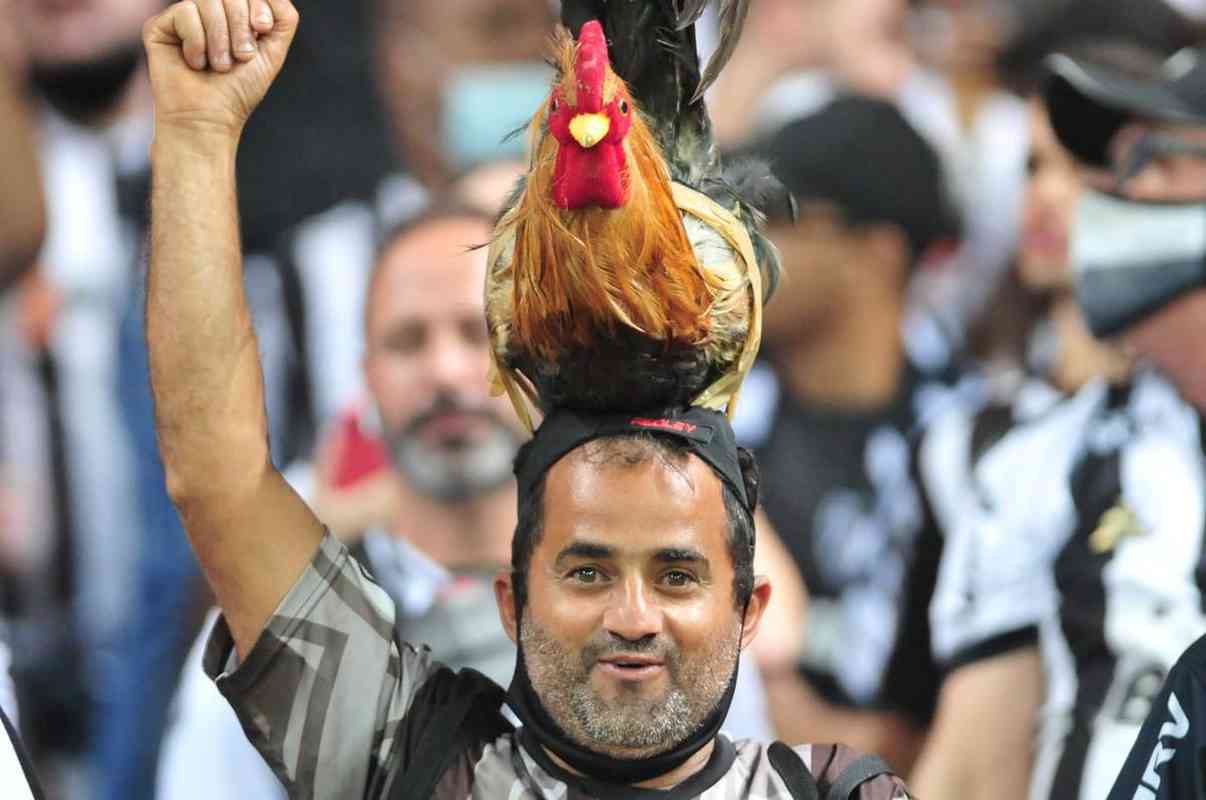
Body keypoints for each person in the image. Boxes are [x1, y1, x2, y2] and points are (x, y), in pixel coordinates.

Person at [143, 3, 882, 797]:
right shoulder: (418, 762)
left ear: (749, 608)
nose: (632, 620)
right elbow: (216, 480)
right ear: (512, 601)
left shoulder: (835, 794)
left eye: (677, 576)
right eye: (587, 573)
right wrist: (196, 131)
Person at [910, 44, 1206, 800]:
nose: (1114, 197)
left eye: (1153, 160)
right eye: (1115, 167)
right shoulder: (1036, 464)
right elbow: (971, 771)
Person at [734, 95, 971, 774]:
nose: (746, 241)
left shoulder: (980, 446)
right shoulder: (712, 420)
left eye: (779, 217)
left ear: (877, 252)